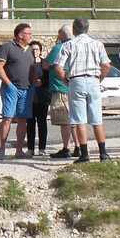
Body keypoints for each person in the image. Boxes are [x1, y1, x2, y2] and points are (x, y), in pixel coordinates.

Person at [53, 17, 112, 163]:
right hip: (93, 79)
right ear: (87, 29)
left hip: (76, 79)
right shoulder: (97, 44)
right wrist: (99, 79)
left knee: (79, 119)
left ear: (74, 30)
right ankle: (103, 153)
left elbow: (58, 67)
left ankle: (84, 153)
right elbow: (106, 65)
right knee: (97, 119)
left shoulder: (69, 45)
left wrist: (66, 81)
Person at [0, 23, 35, 158]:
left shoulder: (30, 50)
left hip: (27, 89)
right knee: (7, 117)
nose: (31, 36)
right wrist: (8, 84)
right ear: (20, 35)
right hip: (11, 88)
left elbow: (34, 68)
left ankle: (19, 150)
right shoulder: (7, 47)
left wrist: (33, 84)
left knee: (23, 119)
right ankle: (1, 149)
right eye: (29, 33)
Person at [44, 24, 75, 159]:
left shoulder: (59, 47)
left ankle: (66, 147)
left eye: (59, 32)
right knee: (76, 119)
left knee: (65, 120)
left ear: (64, 34)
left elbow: (46, 65)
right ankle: (80, 146)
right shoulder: (76, 45)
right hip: (74, 87)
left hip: (61, 88)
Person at [26, 41, 50, 156]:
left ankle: (42, 148)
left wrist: (42, 81)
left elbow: (49, 78)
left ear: (40, 51)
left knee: (42, 123)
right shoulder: (27, 63)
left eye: (37, 49)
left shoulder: (45, 64)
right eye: (32, 49)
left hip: (42, 96)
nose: (35, 51)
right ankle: (30, 148)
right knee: (30, 123)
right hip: (30, 96)